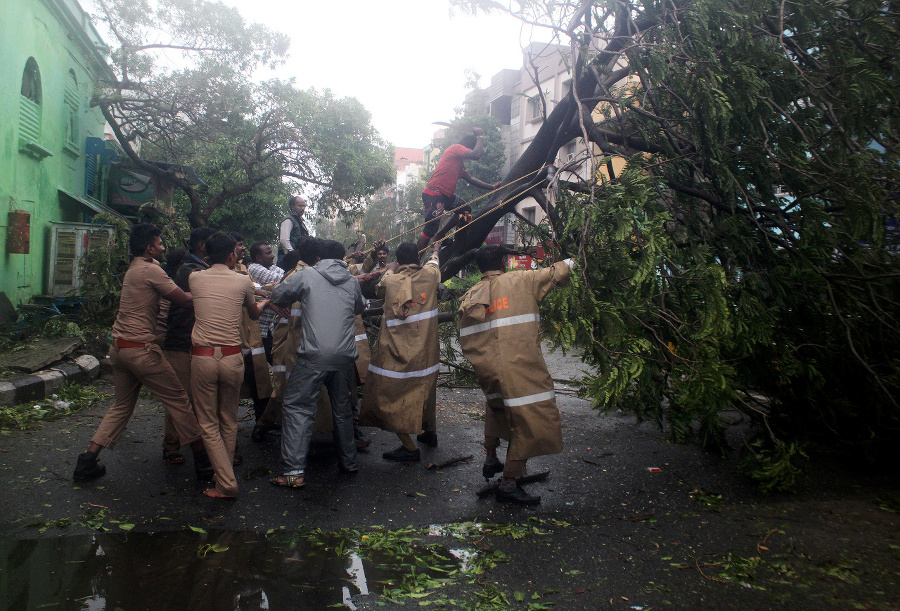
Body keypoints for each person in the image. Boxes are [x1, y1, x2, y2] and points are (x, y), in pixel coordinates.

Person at [72, 224, 211, 482]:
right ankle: (203, 462)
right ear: (149, 248)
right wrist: (213, 291)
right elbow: (182, 298)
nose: (162, 247)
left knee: (121, 406)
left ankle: (87, 460)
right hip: (141, 351)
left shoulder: (134, 268)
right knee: (179, 399)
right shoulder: (151, 269)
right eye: (159, 244)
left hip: (119, 349)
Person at [457, 246, 574, 505]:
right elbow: (558, 271)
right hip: (520, 369)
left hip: (488, 370)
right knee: (531, 419)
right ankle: (508, 484)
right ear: (503, 262)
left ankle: (491, 457)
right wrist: (578, 256)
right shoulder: (521, 280)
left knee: (497, 406)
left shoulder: (470, 296)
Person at [269, 240, 364, 488]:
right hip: (344, 357)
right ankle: (349, 462)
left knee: (298, 407)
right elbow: (358, 307)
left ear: (319, 256)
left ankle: (293, 473)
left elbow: (278, 295)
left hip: (313, 356)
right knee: (343, 410)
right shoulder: (352, 281)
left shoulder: (306, 275)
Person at [188, 232, 274, 498]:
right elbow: (253, 313)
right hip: (232, 356)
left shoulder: (194, 278)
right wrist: (267, 300)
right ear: (231, 256)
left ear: (204, 254)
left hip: (202, 357)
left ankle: (225, 481)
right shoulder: (242, 281)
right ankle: (224, 475)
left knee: (207, 422)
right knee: (228, 419)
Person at [360, 242, 441, 462]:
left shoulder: (392, 280)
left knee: (388, 395)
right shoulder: (430, 276)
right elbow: (434, 264)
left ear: (398, 259)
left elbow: (380, 285)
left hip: (396, 350)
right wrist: (434, 249)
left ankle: (409, 447)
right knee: (426, 388)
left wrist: (390, 267)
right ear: (418, 257)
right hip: (427, 351)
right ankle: (429, 433)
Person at [161, 227, 216, 464]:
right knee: (181, 396)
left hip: (196, 341)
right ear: (203, 245)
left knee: (198, 396)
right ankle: (171, 445)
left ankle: (197, 443)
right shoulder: (190, 271)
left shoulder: (199, 269)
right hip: (182, 340)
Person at [416, 127, 499, 252]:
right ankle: (414, 264)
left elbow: (470, 178)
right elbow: (476, 154)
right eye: (469, 149)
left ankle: (441, 235)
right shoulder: (455, 148)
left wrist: (491, 187)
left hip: (446, 196)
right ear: (467, 147)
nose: (468, 153)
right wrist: (480, 137)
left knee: (465, 210)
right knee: (429, 229)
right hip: (434, 193)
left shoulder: (458, 163)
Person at [247, 242, 285, 362]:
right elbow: (279, 279)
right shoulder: (253, 268)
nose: (273, 255)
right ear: (258, 258)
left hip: (269, 326)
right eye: (268, 253)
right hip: (259, 325)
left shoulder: (271, 268)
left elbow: (283, 277)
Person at [278, 195, 309, 263]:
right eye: (300, 206)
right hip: (287, 257)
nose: (302, 208)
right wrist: (293, 255)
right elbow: (284, 240)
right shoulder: (288, 220)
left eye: (304, 206)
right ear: (292, 206)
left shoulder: (299, 221)